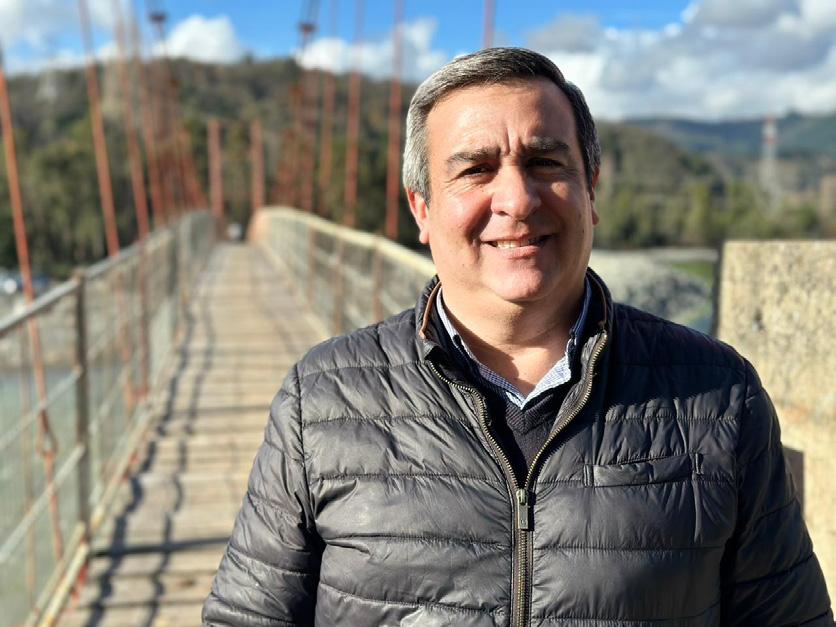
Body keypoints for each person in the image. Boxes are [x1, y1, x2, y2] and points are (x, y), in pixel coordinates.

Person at [202, 48, 832, 626]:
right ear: (422, 209)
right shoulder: (320, 401)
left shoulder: (718, 395)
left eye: (545, 163)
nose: (518, 199)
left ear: (591, 191)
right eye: (476, 170)